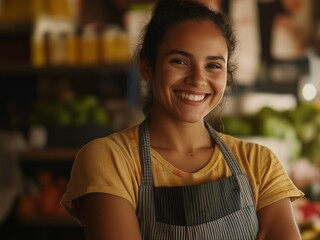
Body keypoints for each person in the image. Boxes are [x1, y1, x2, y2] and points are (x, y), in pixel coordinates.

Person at [61, 0, 304, 239]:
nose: (198, 79)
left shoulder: (259, 163)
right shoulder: (110, 159)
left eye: (213, 65)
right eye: (180, 61)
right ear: (147, 67)